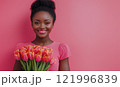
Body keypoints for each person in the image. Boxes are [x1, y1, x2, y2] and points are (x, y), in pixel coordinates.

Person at [13, 0, 71, 71]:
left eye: (47, 23)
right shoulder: (22, 49)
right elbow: (15, 79)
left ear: (52, 24)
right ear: (32, 24)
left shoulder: (61, 48)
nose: (42, 27)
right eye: (37, 23)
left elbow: (66, 80)